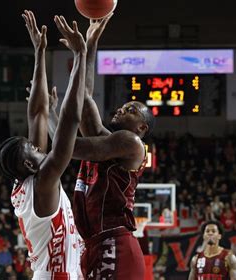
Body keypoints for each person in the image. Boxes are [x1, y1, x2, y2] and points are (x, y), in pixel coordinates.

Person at [47, 15, 155, 279]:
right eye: (123, 105)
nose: (122, 109)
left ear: (141, 128)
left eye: (131, 110)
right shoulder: (108, 141)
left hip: (114, 242)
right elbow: (83, 99)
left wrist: (49, 118)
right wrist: (88, 47)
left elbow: (68, 149)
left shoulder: (131, 143)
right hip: (95, 241)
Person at [0, 10, 86, 279]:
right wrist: (80, 56)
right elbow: (70, 121)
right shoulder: (44, 181)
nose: (39, 147)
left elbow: (36, 115)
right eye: (34, 149)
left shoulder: (25, 181)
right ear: (27, 163)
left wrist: (40, 52)